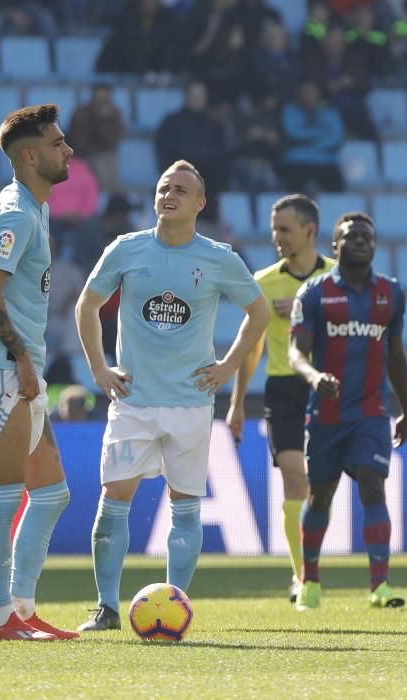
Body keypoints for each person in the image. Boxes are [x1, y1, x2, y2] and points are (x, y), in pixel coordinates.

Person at [74, 160, 269, 632]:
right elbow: (87, 304)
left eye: (181, 190)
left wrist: (227, 366)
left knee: (185, 505)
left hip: (191, 402)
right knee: (113, 499)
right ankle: (106, 608)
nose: (169, 195)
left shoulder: (219, 257)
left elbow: (259, 313)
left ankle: (177, 605)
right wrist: (99, 368)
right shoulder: (127, 249)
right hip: (133, 400)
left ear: (200, 203)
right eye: (164, 187)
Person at [0, 104, 77, 641]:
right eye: (57, 143)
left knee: (51, 493)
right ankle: (0, 619)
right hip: (3, 369)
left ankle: (24, 610)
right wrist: (23, 359)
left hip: (20, 369)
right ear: (29, 155)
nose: (67, 150)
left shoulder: (35, 206)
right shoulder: (16, 214)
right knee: (3, 496)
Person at [289, 211, 407, 611]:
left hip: (372, 411)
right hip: (325, 413)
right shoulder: (314, 293)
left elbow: (395, 354)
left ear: (374, 245)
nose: (360, 241)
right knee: (321, 496)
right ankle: (309, 579)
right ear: (334, 245)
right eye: (351, 236)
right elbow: (296, 352)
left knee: (372, 485)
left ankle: (380, 584)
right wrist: (313, 377)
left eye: (366, 237)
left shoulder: (391, 294)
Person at [227, 194, 336, 603]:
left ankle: (314, 562)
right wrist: (238, 402)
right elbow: (250, 346)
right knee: (294, 475)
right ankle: (304, 575)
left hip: (328, 386)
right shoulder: (263, 282)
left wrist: (308, 311)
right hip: (283, 389)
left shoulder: (337, 279)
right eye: (274, 229)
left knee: (321, 486)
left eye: (285, 229)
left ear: (309, 231)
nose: (277, 237)